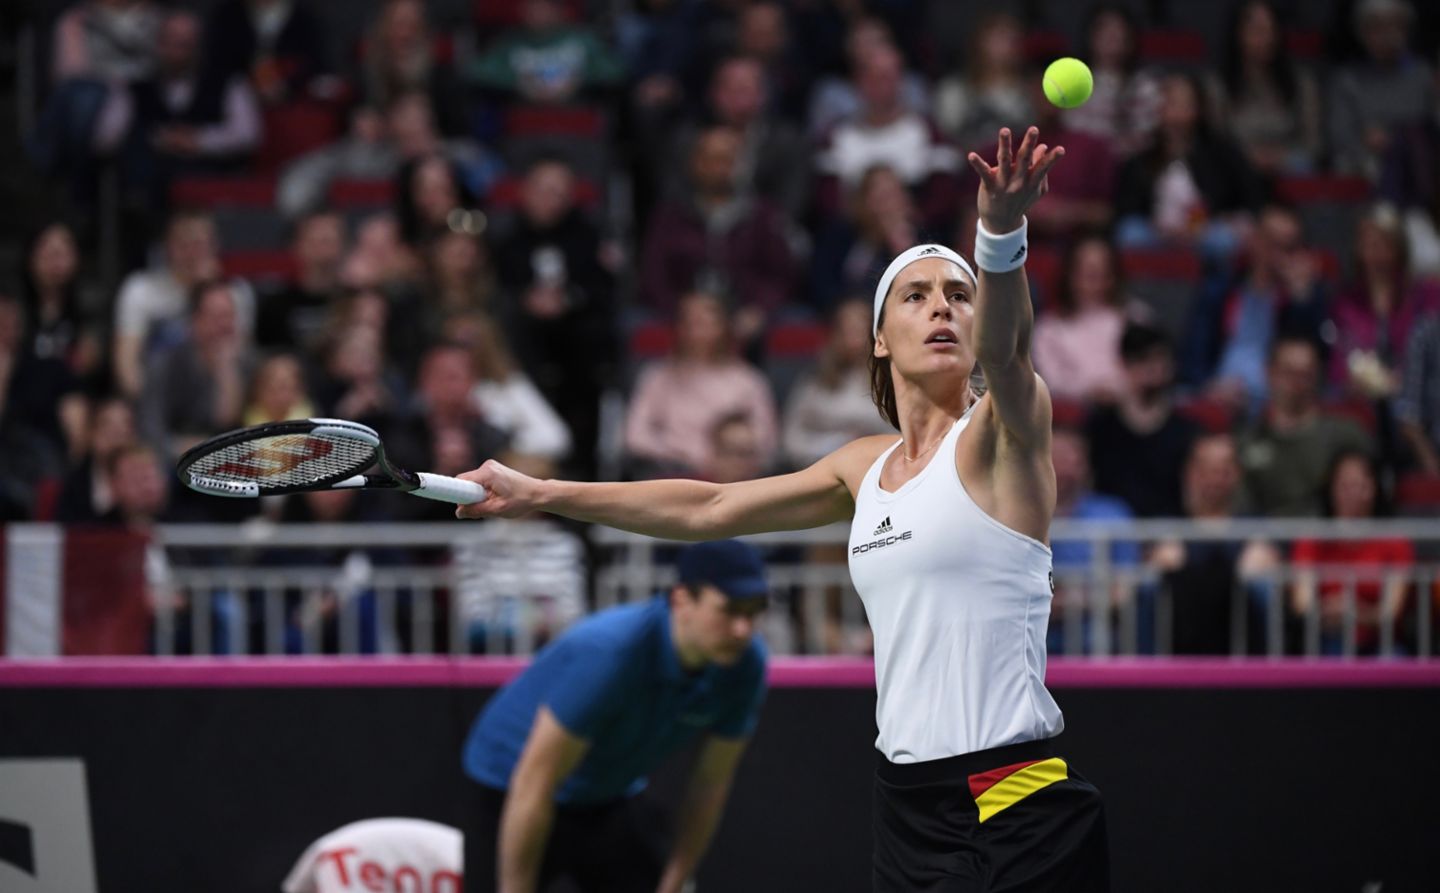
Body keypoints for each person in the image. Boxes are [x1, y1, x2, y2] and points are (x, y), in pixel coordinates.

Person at [457, 126, 1109, 890]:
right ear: (879, 338)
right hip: (908, 806)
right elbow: (710, 505)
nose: (942, 306)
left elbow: (1008, 350)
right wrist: (542, 492)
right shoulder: (863, 467)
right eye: (917, 294)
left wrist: (999, 232)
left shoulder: (1005, 431)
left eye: (959, 295)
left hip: (1012, 796)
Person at [459, 539, 769, 893]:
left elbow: (710, 784)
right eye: (729, 610)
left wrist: (675, 881)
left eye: (754, 612)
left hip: (606, 794)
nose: (742, 629)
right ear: (682, 599)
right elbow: (535, 780)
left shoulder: (746, 664)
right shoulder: (612, 652)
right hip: (508, 784)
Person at [623, 290, 778, 479]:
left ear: (724, 326)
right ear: (679, 327)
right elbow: (635, 436)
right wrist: (682, 453)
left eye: (706, 322)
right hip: (673, 473)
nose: (697, 330)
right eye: (691, 322)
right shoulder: (656, 376)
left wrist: (732, 457)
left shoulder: (748, 379)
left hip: (735, 479)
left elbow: (766, 439)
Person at [1290, 449, 1414, 654]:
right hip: (1325, 640)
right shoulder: (1312, 538)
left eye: (1361, 485)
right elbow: (1302, 605)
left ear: (1375, 489)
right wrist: (1330, 610)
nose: (1353, 494)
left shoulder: (1395, 540)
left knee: (1394, 661)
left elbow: (1391, 612)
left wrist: (1356, 612)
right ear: (1331, 489)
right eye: (1345, 485)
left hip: (1380, 644)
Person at [1237, 335, 1375, 516]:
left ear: (1318, 376)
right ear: (1269, 373)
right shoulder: (1247, 440)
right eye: (1289, 372)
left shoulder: (1346, 435)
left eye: (1306, 374)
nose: (1297, 383)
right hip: (1265, 531)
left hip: (1328, 532)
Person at [1085, 322, 1199, 517]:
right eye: (1142, 358)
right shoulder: (1100, 427)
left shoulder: (1185, 430)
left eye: (1160, 358)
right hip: (1111, 525)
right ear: (1124, 363)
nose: (1154, 367)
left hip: (1169, 526)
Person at [1212, 0, 1322, 176]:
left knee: (1304, 164)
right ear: (1238, 34)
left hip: (1289, 165)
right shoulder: (1219, 85)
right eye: (1257, 31)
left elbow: (1314, 144)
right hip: (1237, 169)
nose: (1266, 39)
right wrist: (1249, 156)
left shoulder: (1301, 83)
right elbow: (1215, 143)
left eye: (1271, 30)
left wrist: (1280, 157)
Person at [781, 298, 895, 468]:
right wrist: (835, 443)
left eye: (859, 330)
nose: (854, 339)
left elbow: (901, 436)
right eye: (847, 330)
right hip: (822, 467)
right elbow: (791, 439)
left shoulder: (890, 381)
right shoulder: (815, 381)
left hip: (878, 467)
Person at [1031, 234, 1131, 405]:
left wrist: (1117, 390)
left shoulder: (1135, 319)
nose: (1095, 277)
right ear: (1070, 273)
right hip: (1071, 412)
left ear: (1113, 274)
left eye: (1102, 269)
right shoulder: (1048, 329)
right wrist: (1090, 391)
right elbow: (1051, 381)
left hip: (1128, 410)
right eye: (1088, 270)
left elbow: (1149, 370)